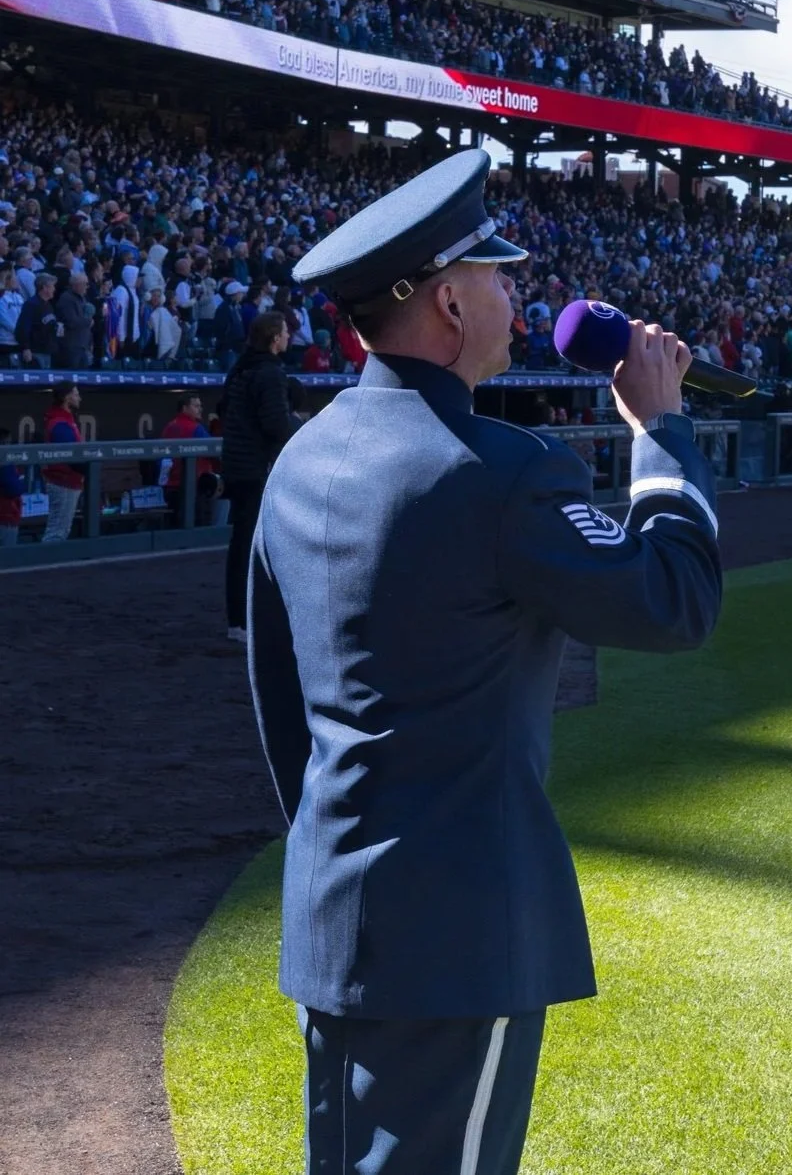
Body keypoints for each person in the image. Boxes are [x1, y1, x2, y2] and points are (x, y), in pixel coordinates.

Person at [247, 149, 723, 1175]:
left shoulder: (303, 455)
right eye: (498, 276)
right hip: (459, 942)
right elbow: (676, 599)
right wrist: (663, 434)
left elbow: (280, 707)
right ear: (451, 304)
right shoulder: (504, 472)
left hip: (336, 917)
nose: (516, 295)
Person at [220, 310, 299, 643]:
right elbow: (275, 425)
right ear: (274, 338)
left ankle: (241, 618)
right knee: (251, 547)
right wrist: (304, 427)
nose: (288, 337)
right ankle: (243, 620)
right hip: (256, 469)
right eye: (284, 332)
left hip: (238, 467)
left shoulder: (241, 368)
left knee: (243, 545)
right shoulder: (268, 372)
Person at [41, 381, 84, 542]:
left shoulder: (65, 419)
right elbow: (70, 457)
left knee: (61, 530)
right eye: (76, 393)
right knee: (57, 532)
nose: (79, 397)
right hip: (62, 482)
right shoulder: (59, 422)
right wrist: (87, 470)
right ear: (67, 398)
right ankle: (46, 565)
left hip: (67, 481)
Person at [161, 393, 213, 525]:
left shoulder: (169, 427)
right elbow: (214, 451)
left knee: (174, 527)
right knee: (198, 528)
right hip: (193, 488)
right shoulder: (196, 428)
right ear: (185, 408)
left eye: (200, 406)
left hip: (171, 488)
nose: (200, 409)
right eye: (196, 406)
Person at [0, 427, 26, 547]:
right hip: (5, 519)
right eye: (7, 443)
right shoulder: (4, 462)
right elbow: (14, 488)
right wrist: (20, 483)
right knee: (7, 561)